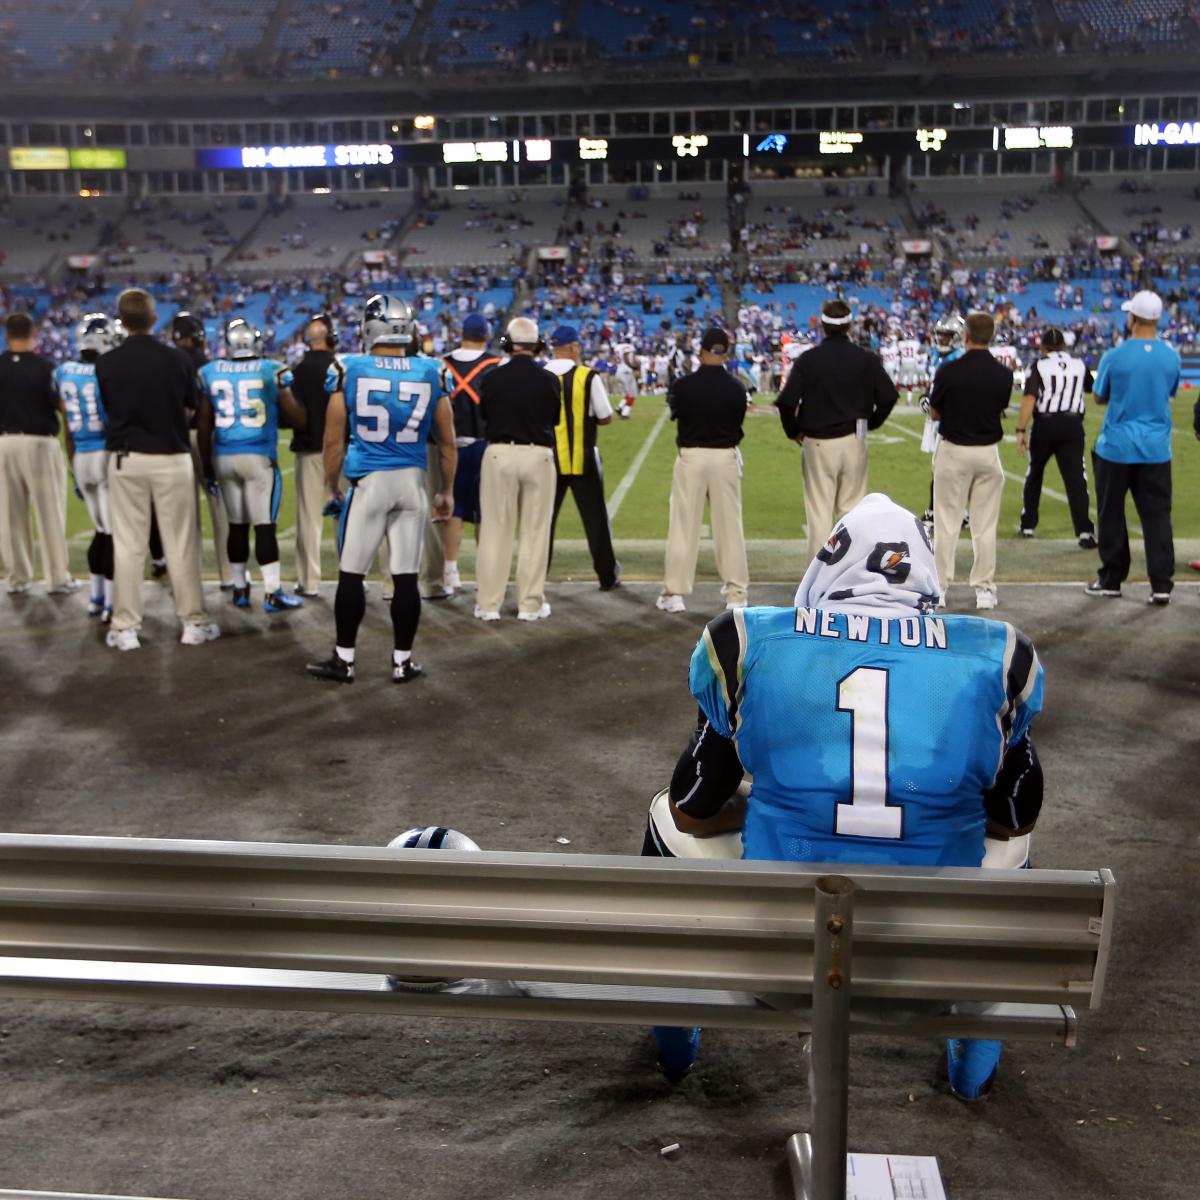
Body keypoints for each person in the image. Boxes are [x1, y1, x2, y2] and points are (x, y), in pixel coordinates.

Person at [643, 493, 1045, 1101]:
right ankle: (973, 1058)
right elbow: (1015, 819)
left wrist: (781, 801)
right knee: (1015, 858)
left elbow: (691, 806)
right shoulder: (997, 654)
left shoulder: (749, 640)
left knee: (659, 820)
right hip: (932, 967)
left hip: (781, 962)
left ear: (829, 562)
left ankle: (674, 1033)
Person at [306, 294, 455, 684]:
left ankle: (345, 659)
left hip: (370, 483)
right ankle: (402, 662)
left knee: (351, 575)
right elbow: (448, 442)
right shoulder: (431, 371)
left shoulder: (348, 368)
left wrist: (332, 487)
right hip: (411, 484)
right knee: (405, 577)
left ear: (369, 328)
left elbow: (333, 441)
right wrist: (447, 491)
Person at [95, 288, 218, 650]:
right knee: (181, 544)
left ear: (121, 322)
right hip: (172, 456)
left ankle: (126, 627)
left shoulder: (106, 363)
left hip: (126, 457)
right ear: (153, 319)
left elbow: (110, 408)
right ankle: (193, 622)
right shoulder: (178, 359)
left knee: (129, 545)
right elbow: (190, 408)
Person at [196, 319, 307, 614]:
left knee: (236, 525)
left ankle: (240, 589)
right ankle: (272, 592)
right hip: (258, 456)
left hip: (223, 456)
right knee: (264, 526)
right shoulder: (271, 369)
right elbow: (297, 418)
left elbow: (204, 424)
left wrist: (207, 467)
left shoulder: (210, 371)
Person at [776, 299, 898, 563]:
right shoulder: (865, 359)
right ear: (849, 326)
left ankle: (817, 581)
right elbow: (888, 396)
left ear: (822, 325)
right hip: (854, 439)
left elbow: (786, 402)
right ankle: (848, 574)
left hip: (818, 442)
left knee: (819, 513)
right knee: (852, 512)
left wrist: (794, 431)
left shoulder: (809, 360)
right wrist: (871, 422)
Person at [1085, 290, 1180, 606]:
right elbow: (1170, 391)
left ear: (1133, 318)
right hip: (1156, 449)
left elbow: (1099, 396)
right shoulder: (1171, 355)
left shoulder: (1115, 355)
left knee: (1111, 513)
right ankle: (1161, 584)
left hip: (1117, 447)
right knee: (1157, 516)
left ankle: (1112, 579)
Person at [473, 317, 561, 622]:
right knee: (535, 533)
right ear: (537, 345)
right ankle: (529, 604)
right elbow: (554, 419)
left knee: (495, 531)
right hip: (538, 455)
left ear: (508, 344)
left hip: (499, 454)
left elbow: (484, 414)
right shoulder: (549, 379)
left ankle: (488, 603)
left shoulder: (492, 377)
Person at [658, 327, 750, 615]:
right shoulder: (737, 387)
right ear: (726, 352)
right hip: (725, 457)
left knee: (683, 526)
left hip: (692, 457)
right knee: (730, 528)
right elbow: (737, 419)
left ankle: (675, 593)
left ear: (701, 350)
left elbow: (676, 412)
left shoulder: (684, 386)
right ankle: (736, 594)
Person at [929, 311, 1013, 610]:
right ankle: (984, 590)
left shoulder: (949, 371)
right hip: (988, 452)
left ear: (965, 336)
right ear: (989, 337)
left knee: (947, 523)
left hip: (954, 450)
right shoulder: (1004, 373)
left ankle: (938, 587)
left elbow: (936, 412)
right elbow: (1000, 406)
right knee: (984, 526)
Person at [0, 312, 75, 597]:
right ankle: (57, 578)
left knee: (9, 516)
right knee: (50, 512)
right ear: (34, 334)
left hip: (4, 443)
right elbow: (62, 407)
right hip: (40, 443)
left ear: (7, 334)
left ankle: (17, 579)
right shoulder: (46, 367)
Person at [56, 313, 124, 621]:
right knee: (112, 534)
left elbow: (67, 431)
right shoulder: (107, 371)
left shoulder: (63, 372)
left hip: (81, 456)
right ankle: (111, 602)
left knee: (100, 530)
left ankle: (95, 597)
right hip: (104, 453)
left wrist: (73, 465)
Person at [428, 312, 502, 598]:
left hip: (450, 446)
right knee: (485, 511)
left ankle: (450, 571)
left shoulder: (441, 364)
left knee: (453, 510)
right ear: (485, 335)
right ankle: (485, 572)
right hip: (486, 445)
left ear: (461, 334)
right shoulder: (495, 365)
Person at [544, 325, 620, 591]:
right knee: (595, 520)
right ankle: (607, 576)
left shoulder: (540, 375)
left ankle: (536, 575)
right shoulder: (588, 376)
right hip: (582, 458)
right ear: (574, 346)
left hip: (547, 461)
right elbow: (606, 416)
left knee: (542, 522)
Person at [1016, 328, 1096, 548]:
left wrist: (1020, 429)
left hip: (1045, 424)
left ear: (1042, 347)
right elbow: (1093, 389)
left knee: (1035, 473)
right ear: (1063, 346)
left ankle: (1028, 524)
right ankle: (1084, 531)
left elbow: (1030, 398)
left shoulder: (1039, 365)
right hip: (1072, 425)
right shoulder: (1079, 364)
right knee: (1076, 479)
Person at [171, 311, 232, 589]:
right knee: (220, 511)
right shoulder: (208, 364)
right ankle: (229, 575)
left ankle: (187, 579)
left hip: (178, 442)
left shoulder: (168, 363)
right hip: (208, 438)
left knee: (185, 517)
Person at [286, 314, 338, 597]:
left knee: (308, 519)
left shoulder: (298, 370)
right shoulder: (342, 367)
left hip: (309, 451)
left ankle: (308, 581)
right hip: (341, 451)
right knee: (346, 518)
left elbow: (290, 414)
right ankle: (353, 575)